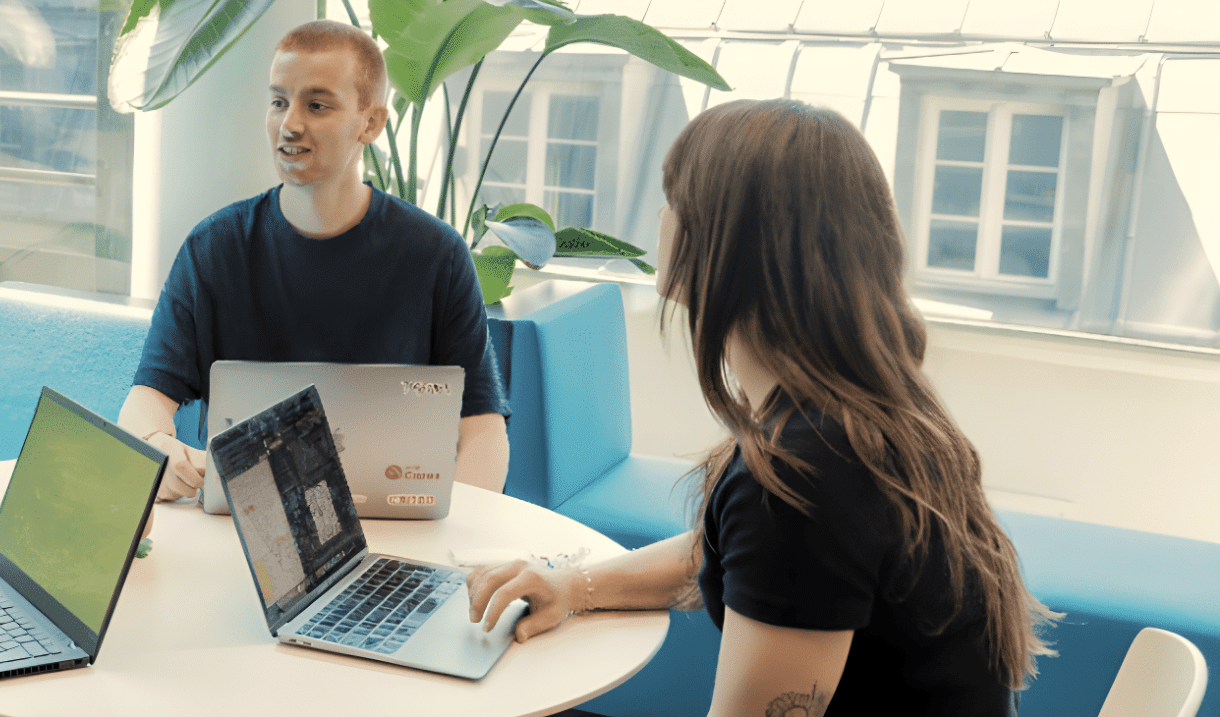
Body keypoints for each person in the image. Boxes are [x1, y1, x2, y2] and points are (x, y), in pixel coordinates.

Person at [465, 99, 1059, 715]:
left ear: (728, 245)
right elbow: (725, 549)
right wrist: (574, 587)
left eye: (675, 199)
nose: (662, 216)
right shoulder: (860, 415)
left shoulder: (804, 480)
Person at [121, 19, 511, 500]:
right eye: (278, 102)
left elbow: (483, 430)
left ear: (370, 123)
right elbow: (147, 398)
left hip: (397, 529)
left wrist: (458, 533)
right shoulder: (213, 248)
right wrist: (155, 445)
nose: (290, 124)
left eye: (317, 105)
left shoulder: (437, 255)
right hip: (245, 524)